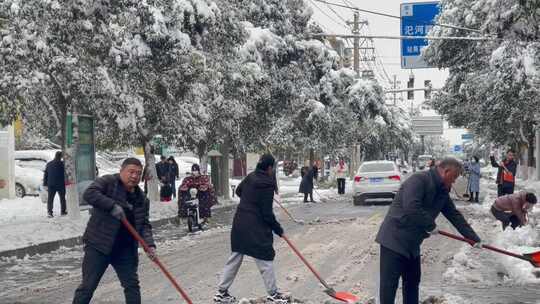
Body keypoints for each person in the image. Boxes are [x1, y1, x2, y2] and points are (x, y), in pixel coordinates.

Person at [375, 157, 482, 304]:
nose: (454, 181)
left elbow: (454, 215)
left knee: (412, 284)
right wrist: (430, 225)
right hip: (394, 239)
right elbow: (411, 207)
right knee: (389, 285)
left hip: (412, 245)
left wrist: (473, 238)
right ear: (446, 171)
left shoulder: (442, 191)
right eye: (454, 177)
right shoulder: (419, 180)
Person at [72, 158, 156, 304]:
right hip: (99, 246)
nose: (135, 176)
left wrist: (150, 244)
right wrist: (111, 205)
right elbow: (89, 193)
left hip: (125, 250)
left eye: (138, 173)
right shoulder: (108, 182)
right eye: (131, 172)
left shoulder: (141, 199)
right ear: (121, 170)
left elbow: (144, 224)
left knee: (132, 286)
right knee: (87, 287)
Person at [213, 154, 289, 304]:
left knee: (235, 258)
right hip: (255, 228)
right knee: (265, 259)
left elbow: (239, 191)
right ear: (269, 168)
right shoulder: (267, 183)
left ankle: (221, 292)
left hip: (240, 223)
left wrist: (251, 198)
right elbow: (267, 214)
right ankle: (273, 294)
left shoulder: (251, 176)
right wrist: (279, 229)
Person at [43, 151, 67, 217]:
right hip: (61, 184)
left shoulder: (49, 164)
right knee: (62, 198)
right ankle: (63, 211)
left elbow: (46, 174)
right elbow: (66, 174)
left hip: (51, 184)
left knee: (50, 199)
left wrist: (45, 184)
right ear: (61, 157)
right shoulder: (63, 164)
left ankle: (49, 212)